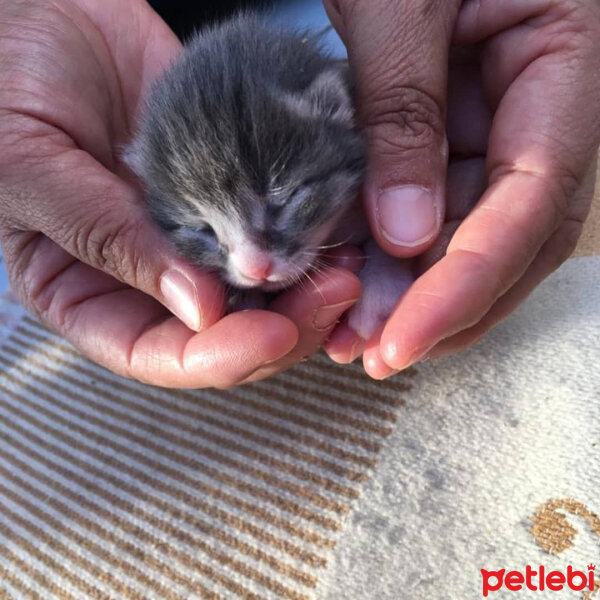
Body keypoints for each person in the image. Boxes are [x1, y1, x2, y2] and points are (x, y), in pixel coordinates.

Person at [0, 0, 598, 387]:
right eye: (206, 232)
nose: (251, 265)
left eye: (281, 204)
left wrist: (389, 258)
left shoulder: (336, 109)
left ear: (335, 114)